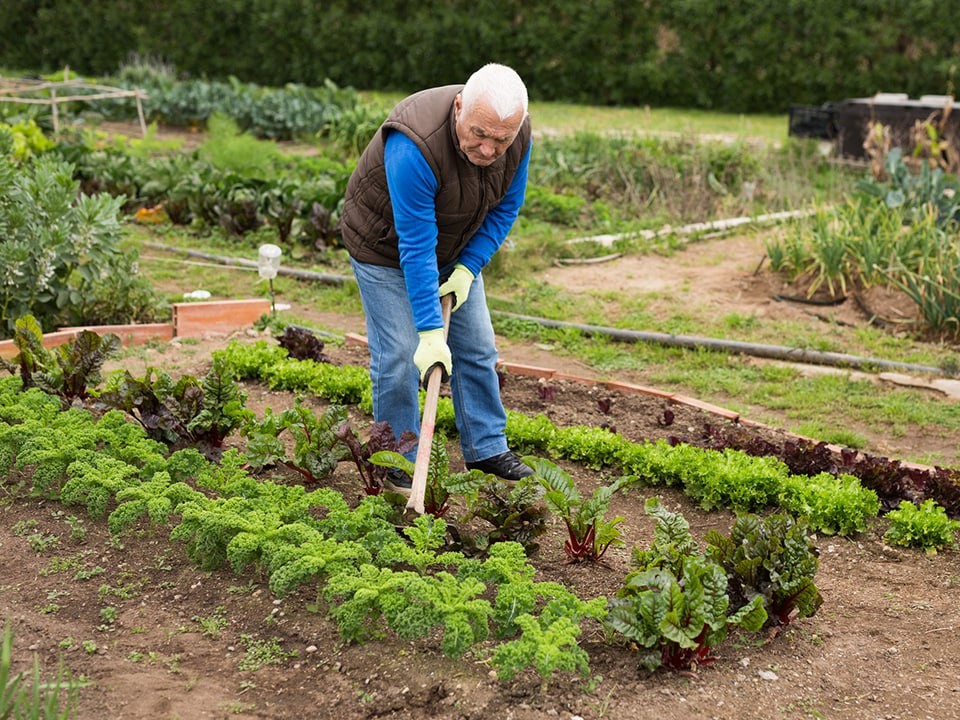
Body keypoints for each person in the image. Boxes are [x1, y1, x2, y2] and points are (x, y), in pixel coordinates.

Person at [338, 63, 535, 494]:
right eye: (479, 135)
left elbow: (505, 209)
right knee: (400, 354)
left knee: (478, 346)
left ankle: (486, 448)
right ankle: (397, 461)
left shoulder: (516, 135)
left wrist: (468, 268)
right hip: (386, 248)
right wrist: (429, 333)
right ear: (460, 106)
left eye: (500, 140)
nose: (487, 149)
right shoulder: (414, 143)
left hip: (456, 249)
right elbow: (415, 244)